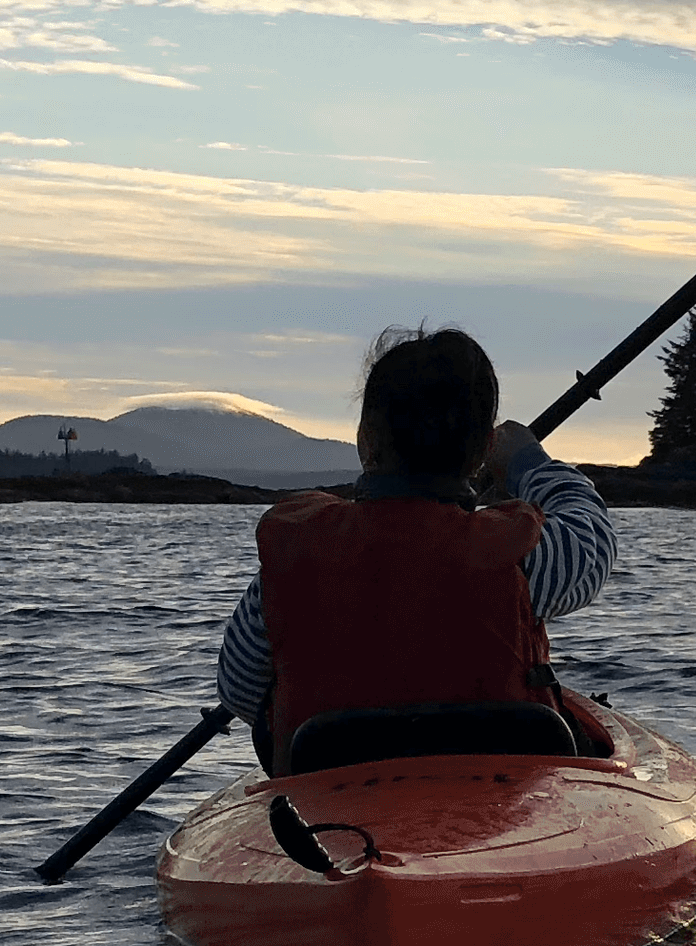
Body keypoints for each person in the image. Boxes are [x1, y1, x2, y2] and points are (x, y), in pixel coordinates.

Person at [214, 328, 618, 769]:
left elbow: (240, 689)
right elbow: (590, 539)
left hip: (329, 797)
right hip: (499, 803)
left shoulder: (294, 556)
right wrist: (527, 462)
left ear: (365, 439)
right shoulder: (519, 555)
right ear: (483, 448)